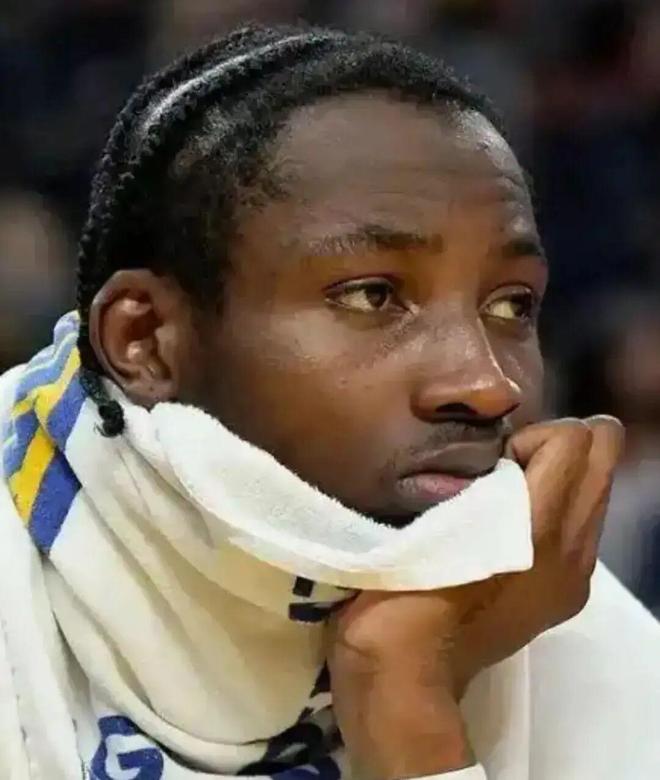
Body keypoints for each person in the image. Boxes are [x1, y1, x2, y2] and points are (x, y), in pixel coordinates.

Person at [1, 23, 660, 780]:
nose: (487, 385)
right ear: (145, 340)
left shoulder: (568, 629)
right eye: (373, 295)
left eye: (511, 305)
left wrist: (401, 692)